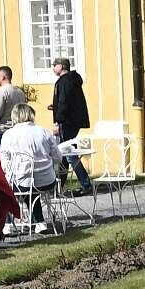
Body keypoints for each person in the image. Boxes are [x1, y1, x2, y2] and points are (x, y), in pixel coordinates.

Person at [0, 103, 61, 229]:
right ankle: (39, 221)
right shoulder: (44, 131)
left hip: (23, 181)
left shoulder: (9, 135)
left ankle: (8, 224)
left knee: (5, 189)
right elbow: (58, 157)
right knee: (31, 189)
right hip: (47, 180)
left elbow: (4, 162)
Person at [48, 57, 94, 195]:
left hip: (67, 122)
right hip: (72, 121)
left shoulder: (65, 81)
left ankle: (86, 185)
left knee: (70, 155)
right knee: (64, 154)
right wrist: (55, 106)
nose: (53, 68)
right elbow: (68, 101)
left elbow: (64, 102)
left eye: (55, 65)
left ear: (62, 66)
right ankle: (58, 187)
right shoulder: (72, 80)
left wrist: (58, 121)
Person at [0, 66, 24, 146]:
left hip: (3, 131)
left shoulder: (1, 92)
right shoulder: (20, 92)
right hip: (18, 131)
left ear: (3, 77)